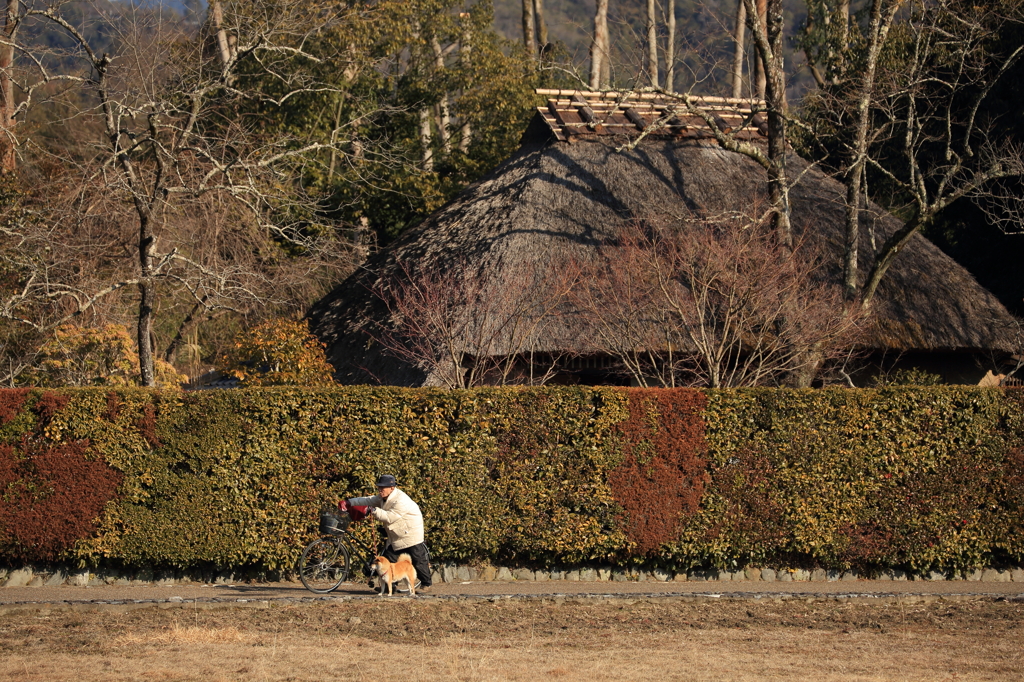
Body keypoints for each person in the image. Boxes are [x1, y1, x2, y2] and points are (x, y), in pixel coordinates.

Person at [348, 474, 432, 589]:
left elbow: (390, 517)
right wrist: (349, 502)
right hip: (397, 533)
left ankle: (426, 584)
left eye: (383, 487)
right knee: (389, 560)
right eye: (379, 487)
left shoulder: (401, 500)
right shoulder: (383, 497)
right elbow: (368, 500)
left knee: (418, 561)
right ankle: (390, 586)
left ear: (392, 488)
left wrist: (373, 510)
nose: (380, 490)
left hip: (411, 532)